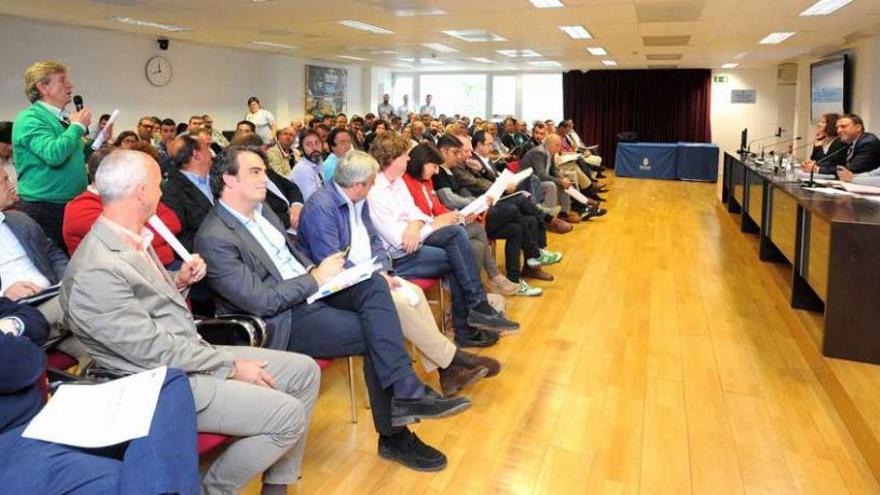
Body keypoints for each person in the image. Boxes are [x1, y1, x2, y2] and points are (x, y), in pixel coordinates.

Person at [194, 146, 471, 472]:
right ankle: (397, 432)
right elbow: (261, 301)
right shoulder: (213, 236)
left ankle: (406, 394)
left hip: (313, 291)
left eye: (263, 170)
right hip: (283, 319)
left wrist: (321, 270)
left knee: (375, 284)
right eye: (254, 171)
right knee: (376, 333)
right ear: (228, 179)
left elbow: (292, 254)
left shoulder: (264, 211)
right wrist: (315, 278)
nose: (264, 177)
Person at [61, 149, 320, 495]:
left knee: (304, 372)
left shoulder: (129, 238)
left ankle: (277, 486)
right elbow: (150, 350)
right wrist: (230, 366)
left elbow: (143, 304)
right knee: (287, 415)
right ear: (140, 192)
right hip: (158, 383)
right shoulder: (97, 267)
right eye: (156, 184)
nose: (161, 191)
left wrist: (177, 282)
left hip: (186, 354)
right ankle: (211, 489)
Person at [297, 150, 501, 396]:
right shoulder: (321, 208)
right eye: (372, 182)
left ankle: (448, 371)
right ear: (358, 184)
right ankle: (453, 360)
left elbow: (374, 242)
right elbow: (331, 262)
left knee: (413, 292)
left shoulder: (357, 198)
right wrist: (374, 277)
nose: (374, 186)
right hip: (340, 285)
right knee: (400, 304)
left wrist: (384, 270)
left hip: (368, 274)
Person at [0, 297, 202, 495]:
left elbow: (36, 322)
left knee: (168, 381)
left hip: (44, 415)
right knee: (129, 481)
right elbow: (24, 362)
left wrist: (10, 325)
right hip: (11, 442)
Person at [366, 133, 519, 347]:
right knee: (458, 247)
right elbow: (401, 241)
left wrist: (416, 223)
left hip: (416, 241)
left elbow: (415, 213)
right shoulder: (374, 193)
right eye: (404, 155)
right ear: (391, 158)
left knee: (458, 245)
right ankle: (473, 317)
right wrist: (432, 224)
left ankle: (474, 316)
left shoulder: (397, 182)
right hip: (398, 258)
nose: (409, 159)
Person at [12, 61, 91, 250]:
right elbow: (53, 154)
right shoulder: (30, 119)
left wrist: (98, 142)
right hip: (45, 208)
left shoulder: (63, 117)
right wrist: (77, 127)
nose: (70, 85)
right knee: (53, 266)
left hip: (70, 204)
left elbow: (78, 156)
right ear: (42, 87)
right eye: (62, 81)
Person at [64, 148, 182, 268]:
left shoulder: (129, 195)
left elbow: (173, 221)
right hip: (123, 275)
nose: (160, 193)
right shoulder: (80, 208)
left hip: (155, 268)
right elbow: (127, 244)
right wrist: (149, 235)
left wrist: (142, 230)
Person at [161, 135, 214, 251]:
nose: (211, 152)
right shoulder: (171, 192)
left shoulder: (219, 179)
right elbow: (181, 238)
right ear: (197, 154)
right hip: (208, 254)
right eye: (207, 147)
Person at [289, 130, 325, 201]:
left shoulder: (318, 161)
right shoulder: (303, 170)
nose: (314, 148)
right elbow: (313, 203)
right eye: (309, 144)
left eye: (317, 143)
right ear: (302, 149)